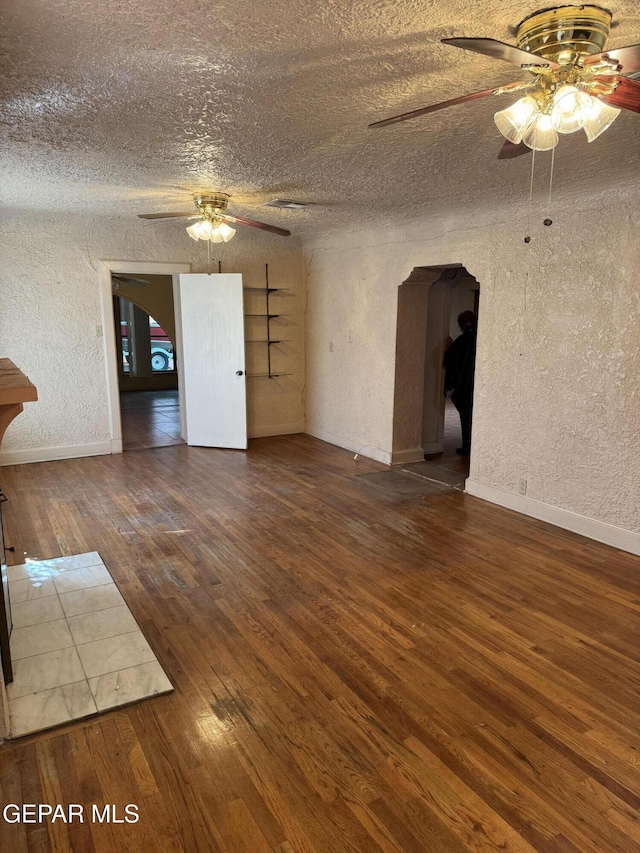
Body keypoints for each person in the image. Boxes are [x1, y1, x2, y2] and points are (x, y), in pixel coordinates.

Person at [443, 310, 477, 456]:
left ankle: (467, 447)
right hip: (476, 387)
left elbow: (450, 361)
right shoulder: (480, 339)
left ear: (461, 325)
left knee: (466, 419)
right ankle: (473, 448)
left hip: (464, 387)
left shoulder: (461, 341)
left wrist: (447, 348)